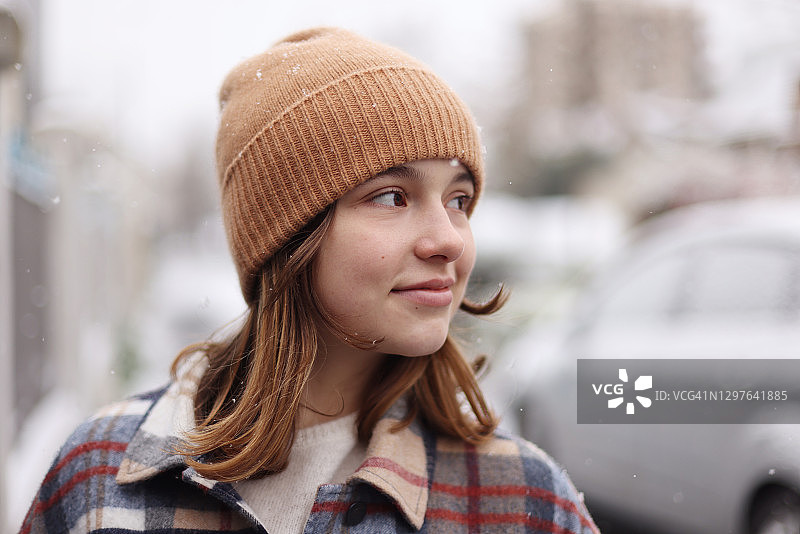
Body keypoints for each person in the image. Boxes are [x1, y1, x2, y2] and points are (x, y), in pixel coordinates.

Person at [19, 27, 598, 534]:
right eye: (393, 196)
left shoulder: (522, 500)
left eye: (459, 199)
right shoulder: (99, 477)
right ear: (288, 237)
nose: (448, 238)